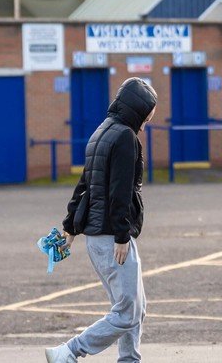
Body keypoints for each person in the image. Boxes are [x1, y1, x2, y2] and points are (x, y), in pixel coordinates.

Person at [46, 77, 157, 363]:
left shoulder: (101, 132)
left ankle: (129, 359)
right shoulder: (124, 137)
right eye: (146, 117)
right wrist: (122, 235)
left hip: (98, 237)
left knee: (135, 307)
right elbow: (119, 190)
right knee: (127, 312)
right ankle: (69, 351)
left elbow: (85, 183)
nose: (146, 124)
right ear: (136, 110)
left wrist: (70, 227)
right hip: (112, 236)